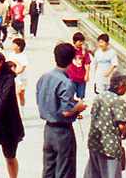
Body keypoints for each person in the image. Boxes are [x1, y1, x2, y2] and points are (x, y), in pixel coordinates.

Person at [36, 42, 88, 178]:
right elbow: (66, 111)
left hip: (48, 129)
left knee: (48, 168)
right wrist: (79, 107)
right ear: (72, 59)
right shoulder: (66, 82)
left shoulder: (44, 77)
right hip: (62, 131)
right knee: (65, 170)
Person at [84, 71, 126, 178]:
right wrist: (124, 133)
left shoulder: (99, 97)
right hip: (110, 146)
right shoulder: (118, 101)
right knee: (111, 174)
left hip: (95, 141)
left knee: (94, 173)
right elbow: (121, 126)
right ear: (121, 86)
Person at [67, 32, 92, 99]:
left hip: (81, 78)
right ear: (75, 41)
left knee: (81, 96)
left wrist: (87, 75)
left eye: (82, 41)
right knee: (69, 95)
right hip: (71, 77)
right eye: (79, 41)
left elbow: (87, 64)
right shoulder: (70, 50)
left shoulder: (84, 52)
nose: (81, 43)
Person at [6, 37, 29, 107]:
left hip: (22, 78)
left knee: (21, 93)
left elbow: (23, 68)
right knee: (15, 93)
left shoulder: (23, 56)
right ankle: (17, 109)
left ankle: (22, 105)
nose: (12, 45)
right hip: (13, 79)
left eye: (14, 44)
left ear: (19, 47)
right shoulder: (11, 55)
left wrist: (16, 73)